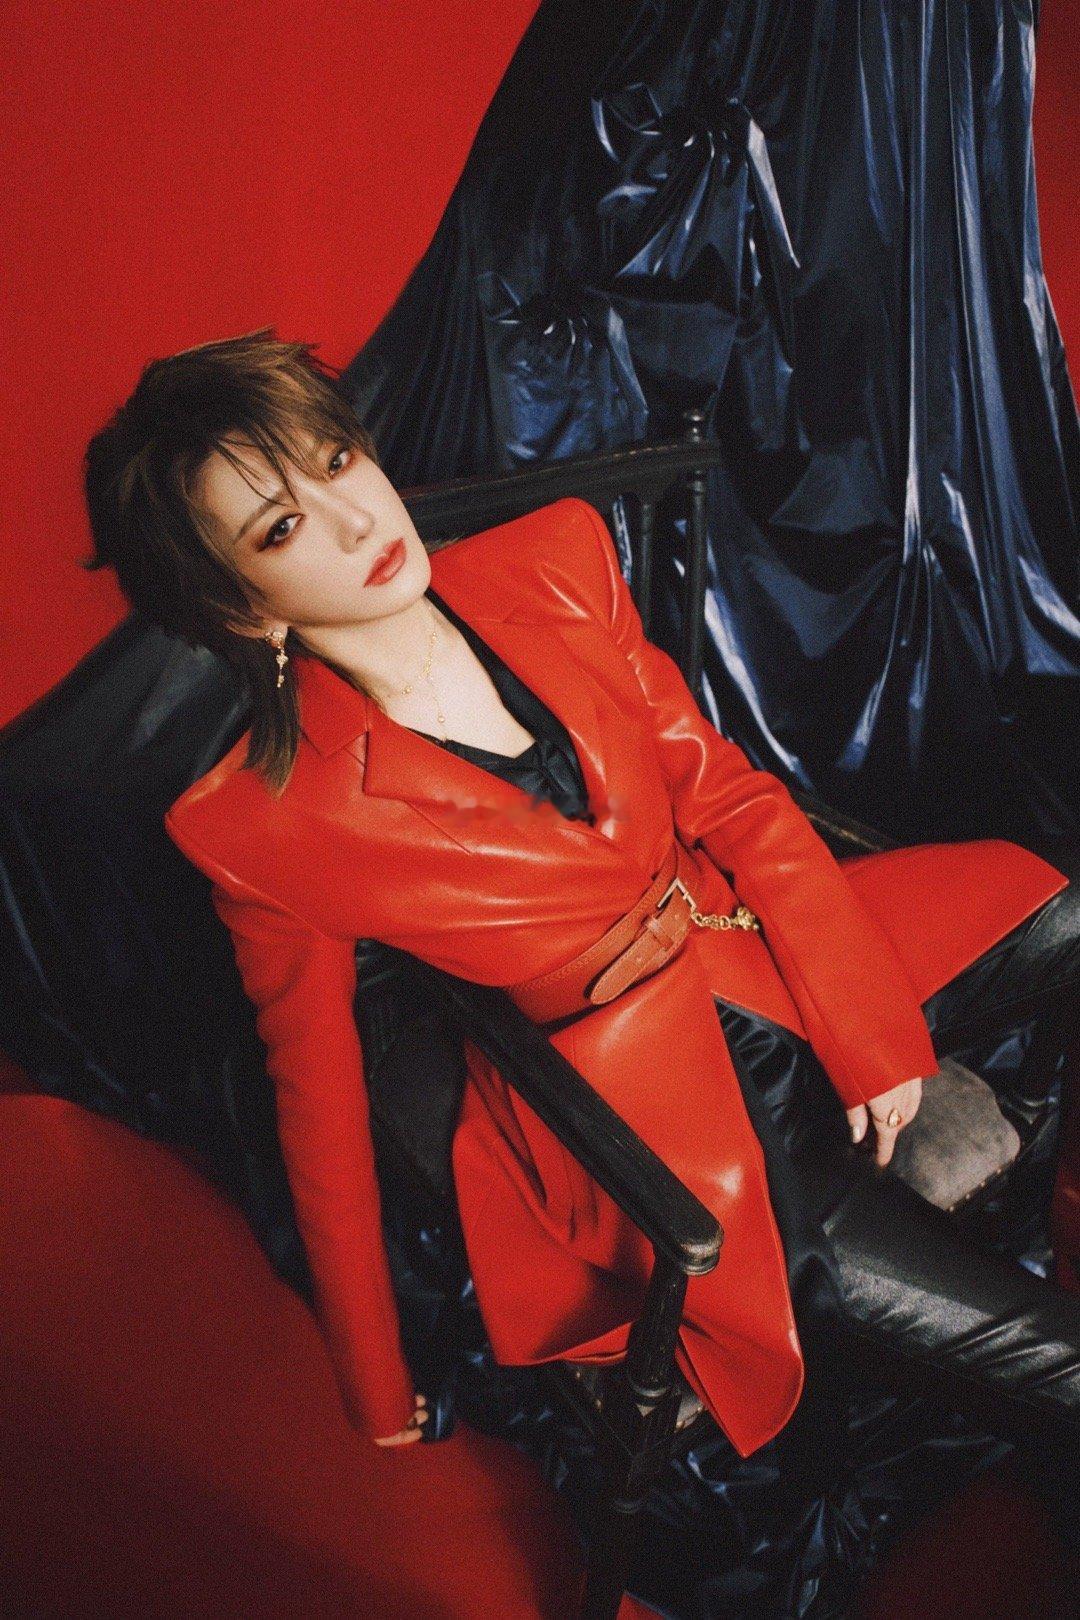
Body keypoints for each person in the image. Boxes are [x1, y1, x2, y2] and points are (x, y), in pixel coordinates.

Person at [82, 331, 1080, 1481]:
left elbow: (734, 800)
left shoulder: (551, 560)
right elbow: (318, 1103)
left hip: (758, 946)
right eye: (282, 528)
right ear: (242, 611)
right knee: (1052, 1360)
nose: (358, 521)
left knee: (1057, 905)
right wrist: (374, 1378)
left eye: (337, 461)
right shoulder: (263, 825)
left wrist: (865, 1029)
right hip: (665, 1121)